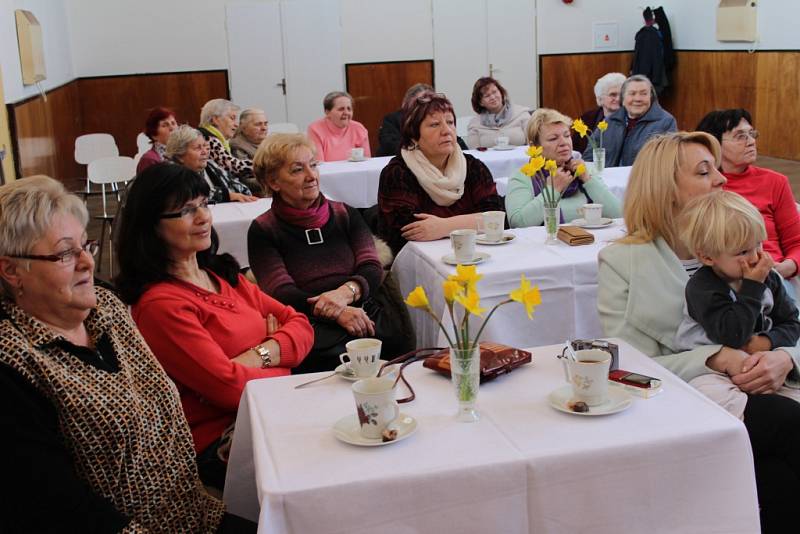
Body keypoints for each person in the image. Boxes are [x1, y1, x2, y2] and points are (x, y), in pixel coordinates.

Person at [0, 176, 257, 532]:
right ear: (12, 271)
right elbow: (56, 506)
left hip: (195, 514)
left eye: (85, 246)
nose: (88, 263)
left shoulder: (106, 306)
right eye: (64, 254)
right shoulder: (13, 362)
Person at [597, 131, 800, 533]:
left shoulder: (747, 250)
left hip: (770, 384)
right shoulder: (624, 261)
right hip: (688, 398)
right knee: (786, 426)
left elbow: (791, 321)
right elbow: (626, 366)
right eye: (705, 171)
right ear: (666, 190)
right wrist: (714, 357)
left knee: (777, 470)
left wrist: (785, 357)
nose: (723, 179)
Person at [115, 163, 313, 491]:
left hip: (272, 408)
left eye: (204, 204)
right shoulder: (161, 305)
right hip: (223, 439)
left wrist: (255, 356)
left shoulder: (221, 276)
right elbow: (232, 390)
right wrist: (281, 355)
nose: (204, 217)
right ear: (151, 226)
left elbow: (302, 325)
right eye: (185, 211)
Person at [248, 133, 414, 373]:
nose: (311, 176)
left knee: (388, 348)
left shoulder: (344, 213)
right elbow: (281, 291)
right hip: (307, 321)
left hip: (362, 307)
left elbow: (370, 265)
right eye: (297, 170)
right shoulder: (264, 229)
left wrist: (345, 295)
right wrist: (336, 312)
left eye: (313, 165)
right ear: (274, 182)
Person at [377, 91, 503, 255]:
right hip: (420, 260)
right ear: (414, 135)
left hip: (477, 254)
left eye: (450, 122)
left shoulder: (473, 167)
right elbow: (409, 232)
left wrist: (443, 227)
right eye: (435, 124)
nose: (447, 131)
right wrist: (472, 223)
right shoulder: (397, 174)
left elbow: (496, 219)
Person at [697, 108, 800, 292]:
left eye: (751, 134)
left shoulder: (775, 181)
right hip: (721, 282)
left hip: (773, 278)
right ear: (715, 144)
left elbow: (796, 242)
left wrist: (787, 267)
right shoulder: (703, 185)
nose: (751, 141)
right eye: (740, 136)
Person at [506, 108, 621, 227]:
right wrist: (552, 190)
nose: (564, 143)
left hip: (589, 241)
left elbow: (619, 215)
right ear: (534, 146)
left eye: (567, 136)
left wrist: (588, 180)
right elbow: (518, 224)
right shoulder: (523, 177)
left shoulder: (584, 170)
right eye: (553, 138)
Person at [583, 74, 676, 167]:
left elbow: (668, 162)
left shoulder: (666, 122)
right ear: (623, 99)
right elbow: (589, 157)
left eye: (644, 93)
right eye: (632, 93)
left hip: (643, 180)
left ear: (651, 97)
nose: (638, 99)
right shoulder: (609, 122)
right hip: (606, 180)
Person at [166, 124, 257, 203]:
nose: (205, 152)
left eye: (205, 146)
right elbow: (192, 195)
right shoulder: (172, 175)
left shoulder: (211, 165)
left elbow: (236, 185)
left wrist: (245, 196)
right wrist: (228, 196)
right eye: (198, 148)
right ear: (179, 156)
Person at [377, 83, 468, 157]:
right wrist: (425, 149)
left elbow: (459, 144)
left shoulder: (439, 117)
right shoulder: (393, 119)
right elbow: (389, 144)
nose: (425, 105)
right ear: (408, 103)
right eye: (421, 101)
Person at [466, 77, 531, 149]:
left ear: (501, 92)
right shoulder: (475, 124)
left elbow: (533, 144)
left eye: (494, 92)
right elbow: (474, 153)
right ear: (481, 103)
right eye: (487, 96)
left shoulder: (521, 114)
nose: (493, 97)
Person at [199, 98, 255, 180]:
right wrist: (263, 165)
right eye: (232, 118)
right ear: (216, 119)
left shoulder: (216, 139)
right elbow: (231, 166)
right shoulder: (207, 138)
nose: (236, 125)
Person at [307, 91, 371, 162]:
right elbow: (319, 164)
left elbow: (367, 161)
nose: (346, 113)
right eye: (341, 109)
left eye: (349, 109)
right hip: (329, 172)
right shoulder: (315, 129)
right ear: (327, 112)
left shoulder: (359, 128)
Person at [572, 72, 626, 153]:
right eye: (613, 95)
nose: (618, 99)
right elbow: (576, 149)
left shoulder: (632, 119)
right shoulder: (587, 119)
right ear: (600, 98)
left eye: (622, 94)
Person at [230, 108, 270, 195]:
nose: (264, 128)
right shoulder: (237, 146)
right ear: (243, 127)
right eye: (258, 124)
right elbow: (246, 180)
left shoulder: (270, 142)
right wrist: (276, 182)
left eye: (266, 124)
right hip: (256, 197)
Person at [137, 106, 178, 173]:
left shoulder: (185, 152)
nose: (172, 128)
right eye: (164, 125)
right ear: (154, 134)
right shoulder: (149, 160)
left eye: (173, 123)